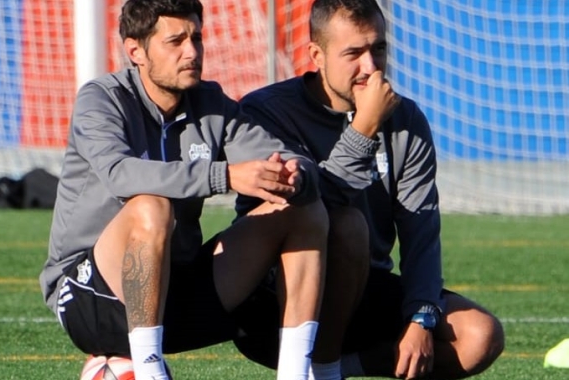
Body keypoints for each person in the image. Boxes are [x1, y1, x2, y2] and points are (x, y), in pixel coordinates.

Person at [37, 0, 375, 379]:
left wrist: (295, 173)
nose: (192, 52)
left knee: (303, 209)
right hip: (90, 299)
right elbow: (120, 174)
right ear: (135, 50)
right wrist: (224, 176)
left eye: (197, 37)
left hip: (174, 292)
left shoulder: (211, 103)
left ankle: (300, 373)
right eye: (175, 41)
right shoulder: (102, 99)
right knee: (152, 207)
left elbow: (279, 156)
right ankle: (149, 371)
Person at [232, 1, 505, 379]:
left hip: (361, 289)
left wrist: (421, 317)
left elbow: (420, 232)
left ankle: (338, 368)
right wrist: (363, 129)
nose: (371, 67)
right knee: (346, 225)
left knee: (481, 336)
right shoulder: (267, 112)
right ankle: (323, 369)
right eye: (353, 53)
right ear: (317, 54)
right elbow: (305, 203)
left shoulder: (406, 119)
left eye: (378, 48)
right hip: (276, 301)